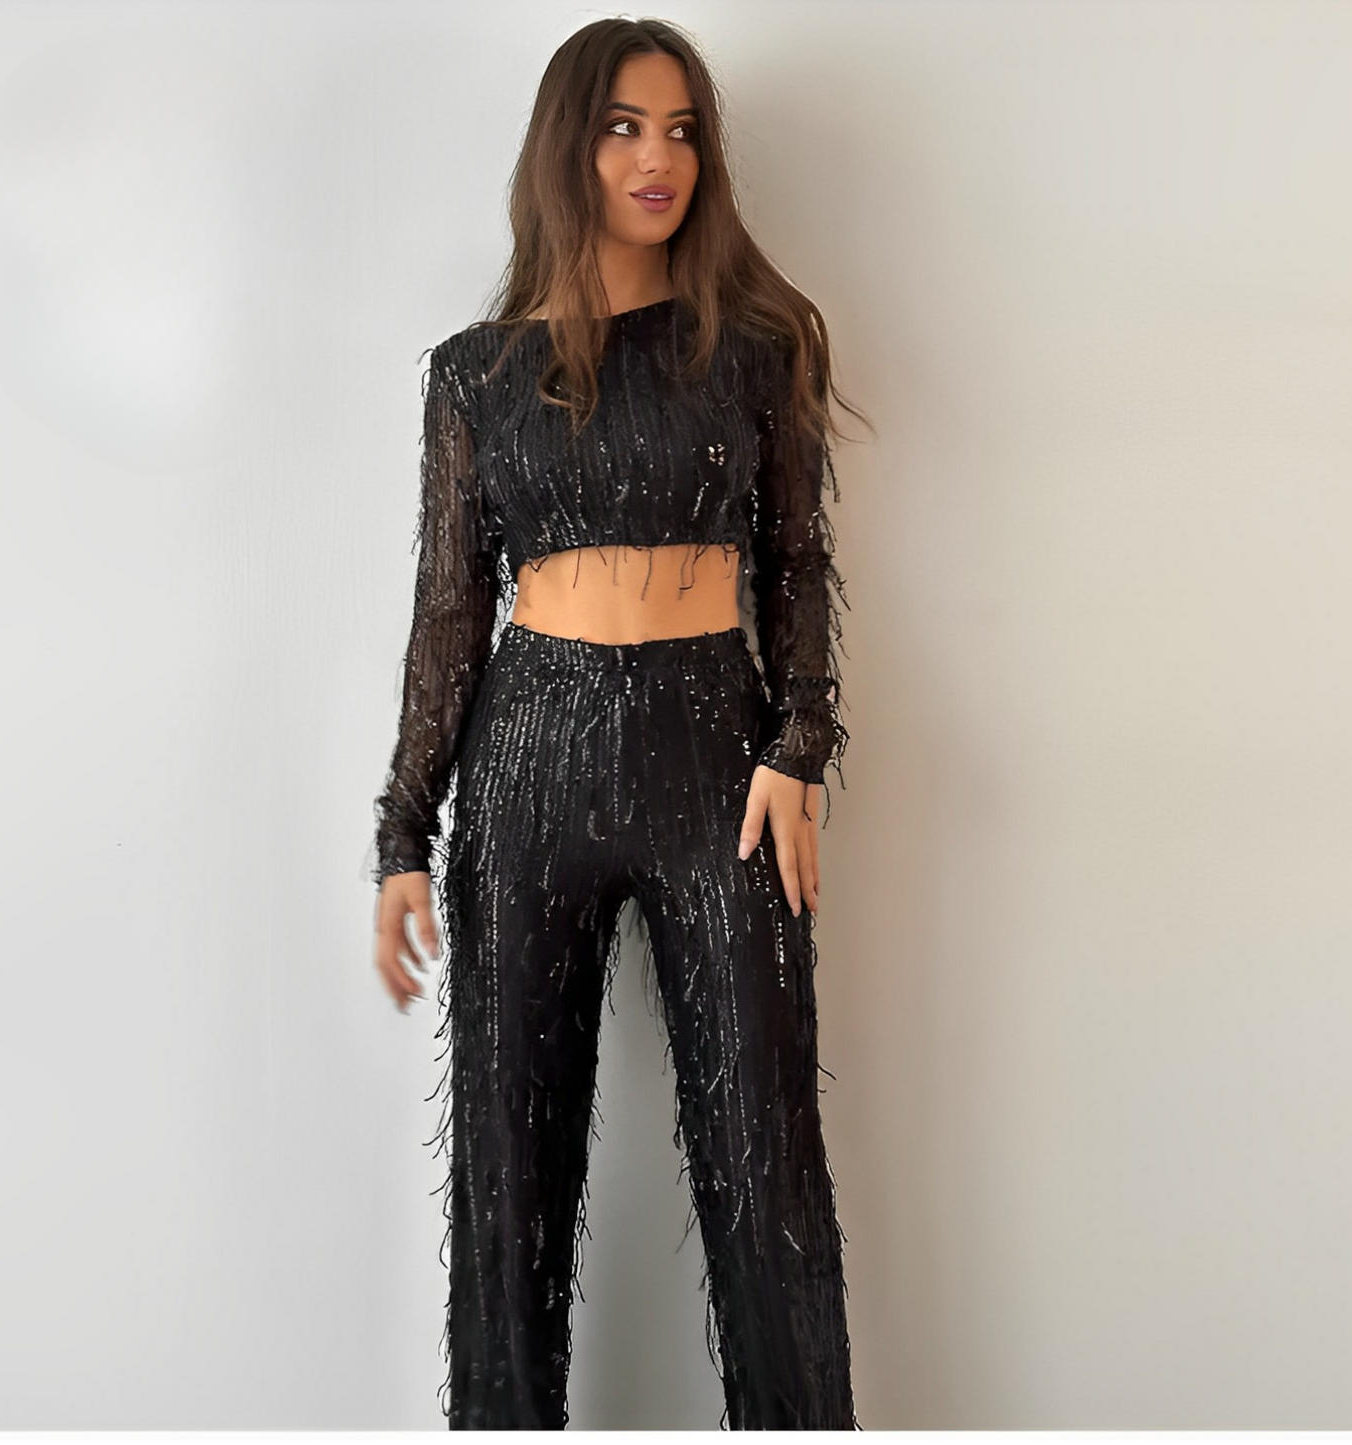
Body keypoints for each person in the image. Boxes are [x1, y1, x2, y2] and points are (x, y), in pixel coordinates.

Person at [367, 15, 869, 1431]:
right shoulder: (473, 375)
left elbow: (798, 562)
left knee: (765, 1162)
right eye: (623, 127)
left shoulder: (755, 349)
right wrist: (404, 833)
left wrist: (799, 748)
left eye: (682, 130)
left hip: (717, 756)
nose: (660, 159)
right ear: (566, 149)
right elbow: (449, 611)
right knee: (509, 1175)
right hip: (526, 762)